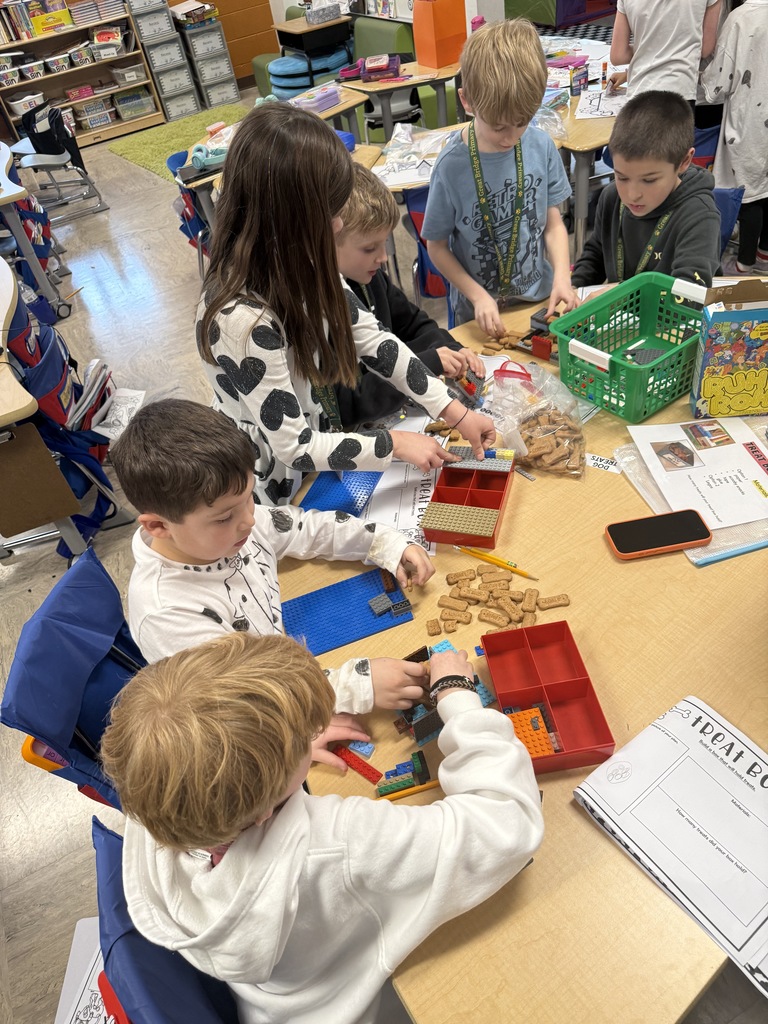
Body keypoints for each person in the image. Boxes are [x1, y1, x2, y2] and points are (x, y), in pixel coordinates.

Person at [100, 631, 545, 1024]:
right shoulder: (336, 842)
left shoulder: (155, 804)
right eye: (302, 737)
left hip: (275, 999)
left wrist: (274, 757)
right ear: (260, 811)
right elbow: (507, 823)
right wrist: (456, 694)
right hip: (360, 1004)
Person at [110, 398, 435, 772]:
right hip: (258, 722)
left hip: (287, 671)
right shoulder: (168, 614)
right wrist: (347, 692)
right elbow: (233, 705)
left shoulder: (235, 521)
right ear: (158, 527)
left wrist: (384, 544)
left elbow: (306, 528)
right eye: (226, 517)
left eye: (250, 498)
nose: (250, 520)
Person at [196, 103, 495, 508]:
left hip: (320, 458)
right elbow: (295, 446)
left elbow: (376, 342)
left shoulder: (303, 260)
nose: (337, 226)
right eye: (330, 214)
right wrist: (394, 443)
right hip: (266, 489)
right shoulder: (241, 319)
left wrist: (454, 411)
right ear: (289, 218)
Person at [421, 19, 577, 338]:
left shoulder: (541, 145)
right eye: (498, 127)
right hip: (478, 314)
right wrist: (477, 296)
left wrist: (563, 275)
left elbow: (554, 224)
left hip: (537, 301)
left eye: (521, 123)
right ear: (467, 102)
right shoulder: (451, 167)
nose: (510, 137)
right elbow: (436, 246)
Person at [334, 163, 485, 427]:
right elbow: (347, 402)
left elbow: (413, 323)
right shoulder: (321, 307)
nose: (383, 258)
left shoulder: (369, 277)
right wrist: (426, 363)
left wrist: (450, 348)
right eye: (369, 248)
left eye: (384, 244)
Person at [571, 91, 721, 289]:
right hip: (623, 314)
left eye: (649, 180)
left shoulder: (699, 215)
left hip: (673, 318)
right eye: (622, 177)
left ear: (684, 161)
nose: (632, 194)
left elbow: (688, 297)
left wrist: (618, 296)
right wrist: (574, 287)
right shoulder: (611, 198)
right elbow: (596, 252)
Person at [700, 0, 768, 275]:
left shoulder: (740, 19)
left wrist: (702, 78)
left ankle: (744, 263)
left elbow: (718, 84)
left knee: (748, 191)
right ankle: (764, 254)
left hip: (749, 117)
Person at [609, 0, 722, 103]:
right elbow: (705, 49)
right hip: (680, 89)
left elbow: (618, 56)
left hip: (640, 89)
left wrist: (648, 46)